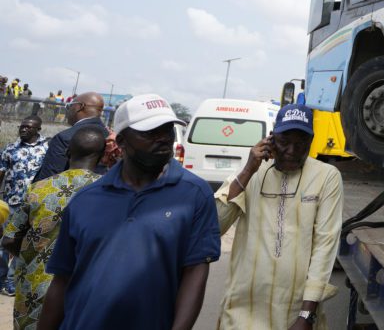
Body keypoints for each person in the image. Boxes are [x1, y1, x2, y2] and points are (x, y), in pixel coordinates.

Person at [38, 94, 220, 330]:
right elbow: (62, 280)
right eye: (150, 132)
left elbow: (195, 270)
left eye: (167, 130)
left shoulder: (194, 194)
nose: (163, 139)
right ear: (122, 141)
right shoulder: (86, 199)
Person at [215, 104, 343, 330]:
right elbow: (215, 225)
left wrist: (306, 315)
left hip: (294, 313)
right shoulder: (253, 172)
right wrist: (247, 171)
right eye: (284, 141)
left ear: (311, 141)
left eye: (301, 143)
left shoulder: (326, 177)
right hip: (242, 311)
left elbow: (325, 244)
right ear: (271, 138)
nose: (292, 150)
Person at [2, 126, 106, 330]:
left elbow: (9, 240)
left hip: (35, 290)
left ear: (67, 152)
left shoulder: (39, 189)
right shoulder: (109, 193)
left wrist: (32, 257)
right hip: (85, 291)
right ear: (102, 157)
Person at [0, 116, 48, 296]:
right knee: (3, 242)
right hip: (10, 203)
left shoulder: (47, 149)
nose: (24, 129)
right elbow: (1, 173)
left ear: (38, 129)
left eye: (29, 127)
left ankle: (11, 281)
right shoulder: (10, 149)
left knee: (22, 244)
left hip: (33, 204)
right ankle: (1, 278)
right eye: (22, 126)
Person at [34, 92, 107, 181]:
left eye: (69, 106)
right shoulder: (111, 137)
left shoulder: (64, 137)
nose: (67, 110)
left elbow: (48, 179)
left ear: (79, 107)